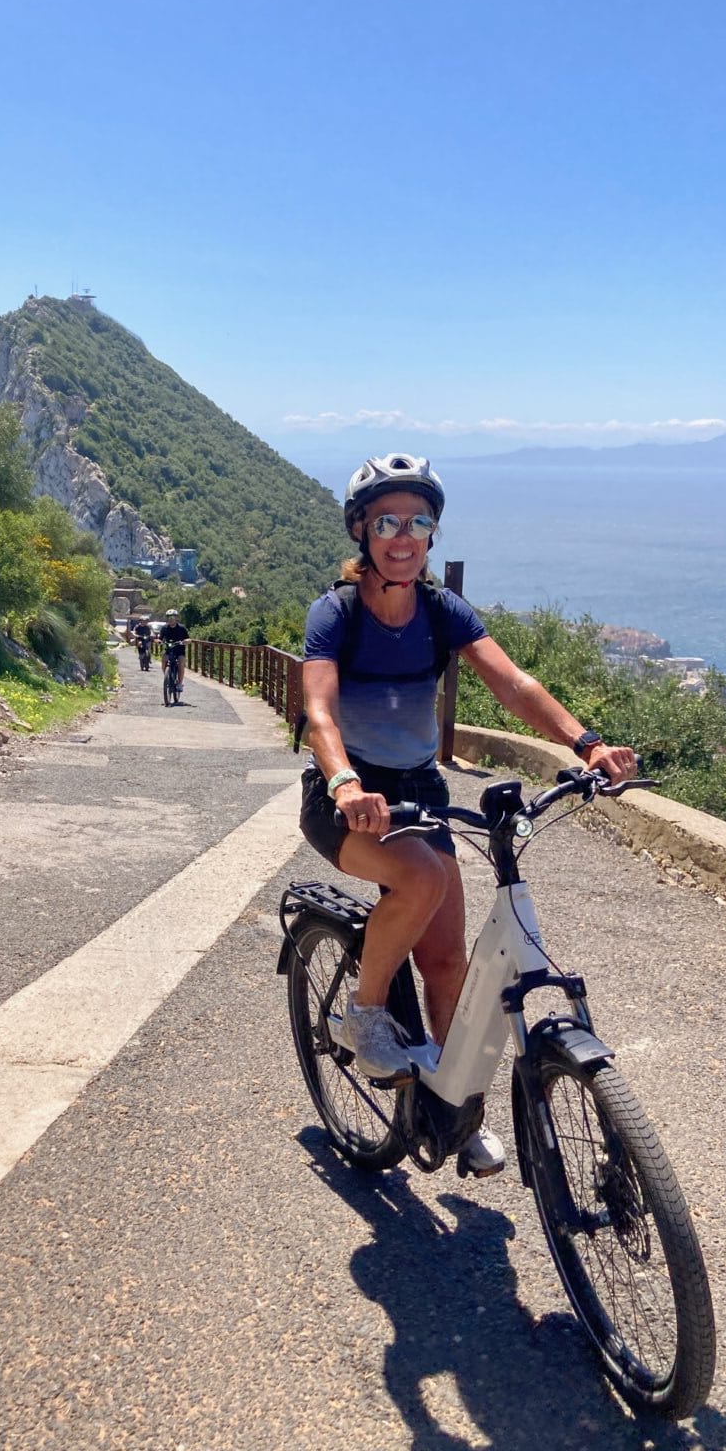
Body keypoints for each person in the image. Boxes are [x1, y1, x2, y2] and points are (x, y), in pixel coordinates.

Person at [300, 454, 636, 1176]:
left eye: (419, 521)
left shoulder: (440, 612)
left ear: (432, 534)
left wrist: (587, 743)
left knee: (449, 962)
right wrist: (345, 781)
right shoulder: (337, 613)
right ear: (362, 531)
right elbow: (320, 709)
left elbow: (514, 682)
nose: (404, 535)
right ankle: (364, 1017)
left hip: (418, 789)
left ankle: (453, 1113)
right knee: (418, 879)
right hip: (345, 798)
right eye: (387, 521)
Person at [159, 608, 189, 694]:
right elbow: (160, 639)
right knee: (164, 659)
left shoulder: (182, 628)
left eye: (173, 617)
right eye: (169, 617)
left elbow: (188, 638)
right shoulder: (164, 628)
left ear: (176, 618)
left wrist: (185, 641)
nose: (171, 619)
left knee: (181, 663)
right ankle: (167, 677)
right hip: (168, 650)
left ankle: (179, 683)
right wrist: (159, 641)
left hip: (179, 650)